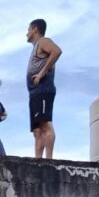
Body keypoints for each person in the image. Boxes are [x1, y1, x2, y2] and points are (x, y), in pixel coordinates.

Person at [26, 18, 62, 159]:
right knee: (37, 130)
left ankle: (49, 159)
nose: (27, 33)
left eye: (28, 30)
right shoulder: (36, 47)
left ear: (35, 29)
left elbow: (57, 51)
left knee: (45, 124)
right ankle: (38, 160)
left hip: (43, 89)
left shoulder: (43, 41)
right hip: (34, 92)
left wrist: (42, 73)